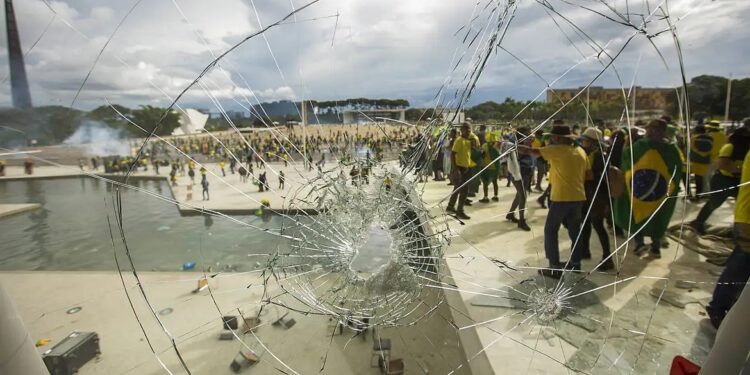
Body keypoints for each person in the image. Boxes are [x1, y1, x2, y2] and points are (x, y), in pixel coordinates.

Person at [613, 119, 682, 259]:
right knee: (657, 217)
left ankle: (640, 245)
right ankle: (655, 248)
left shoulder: (639, 146)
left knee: (637, 216)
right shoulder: (672, 150)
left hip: (639, 191)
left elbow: (626, 160)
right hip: (659, 192)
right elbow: (677, 170)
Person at [528, 122, 590, 277]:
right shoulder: (580, 151)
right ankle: (575, 264)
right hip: (578, 197)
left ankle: (554, 267)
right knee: (575, 231)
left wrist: (516, 146)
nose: (552, 139)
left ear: (557, 137)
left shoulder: (557, 150)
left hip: (561, 197)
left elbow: (533, 152)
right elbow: (589, 175)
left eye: (553, 136)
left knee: (550, 230)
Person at [705, 149, 750, 329]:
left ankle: (722, 307)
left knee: (739, 265)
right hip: (747, 220)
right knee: (739, 267)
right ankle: (718, 308)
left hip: (744, 217)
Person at [689, 128, 749, 234]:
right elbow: (722, 164)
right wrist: (741, 170)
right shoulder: (730, 147)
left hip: (738, 180)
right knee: (714, 203)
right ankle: (698, 223)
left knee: (742, 206)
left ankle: (740, 229)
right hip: (723, 180)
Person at [578, 127, 614, 271]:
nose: (582, 142)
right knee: (586, 223)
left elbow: (594, 177)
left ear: (592, 142)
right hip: (591, 194)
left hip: (597, 195)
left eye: (585, 140)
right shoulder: (595, 153)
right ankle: (585, 250)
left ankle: (607, 258)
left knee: (598, 225)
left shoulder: (598, 156)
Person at [447, 123, 474, 220]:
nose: (468, 132)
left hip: (466, 167)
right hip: (460, 168)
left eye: (469, 131)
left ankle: (450, 207)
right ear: (462, 130)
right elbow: (452, 155)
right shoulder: (459, 140)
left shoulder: (467, 141)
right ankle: (460, 211)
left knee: (457, 189)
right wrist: (456, 169)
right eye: (467, 130)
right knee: (464, 191)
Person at [506, 129, 532, 231]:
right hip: (517, 174)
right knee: (523, 196)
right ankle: (521, 221)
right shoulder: (516, 146)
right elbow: (516, 158)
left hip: (525, 172)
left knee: (519, 195)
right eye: (528, 134)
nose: (530, 136)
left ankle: (510, 214)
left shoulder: (525, 144)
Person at [688, 125, 712, 198]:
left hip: (694, 161)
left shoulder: (693, 138)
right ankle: (698, 195)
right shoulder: (710, 138)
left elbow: (690, 149)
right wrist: (705, 154)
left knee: (687, 176)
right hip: (705, 161)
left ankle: (689, 194)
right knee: (700, 179)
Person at [479, 132, 500, 203]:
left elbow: (482, 155)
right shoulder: (497, 146)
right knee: (495, 182)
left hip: (487, 166)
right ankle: (496, 196)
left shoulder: (485, 145)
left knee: (485, 182)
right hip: (496, 166)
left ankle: (485, 197)